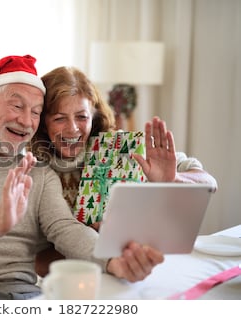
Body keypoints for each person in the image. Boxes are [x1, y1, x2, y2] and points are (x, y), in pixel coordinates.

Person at [0, 55, 164, 300]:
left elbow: (67, 229)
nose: (26, 121)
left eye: (36, 112)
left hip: (26, 298)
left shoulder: (38, 171)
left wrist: (115, 261)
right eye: (17, 106)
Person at [29, 66, 218, 276]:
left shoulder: (122, 146)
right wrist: (95, 241)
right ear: (43, 123)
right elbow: (35, 260)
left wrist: (173, 180)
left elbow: (209, 183)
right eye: (59, 118)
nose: (73, 128)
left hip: (131, 270)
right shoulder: (33, 168)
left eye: (82, 117)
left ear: (94, 117)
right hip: (70, 280)